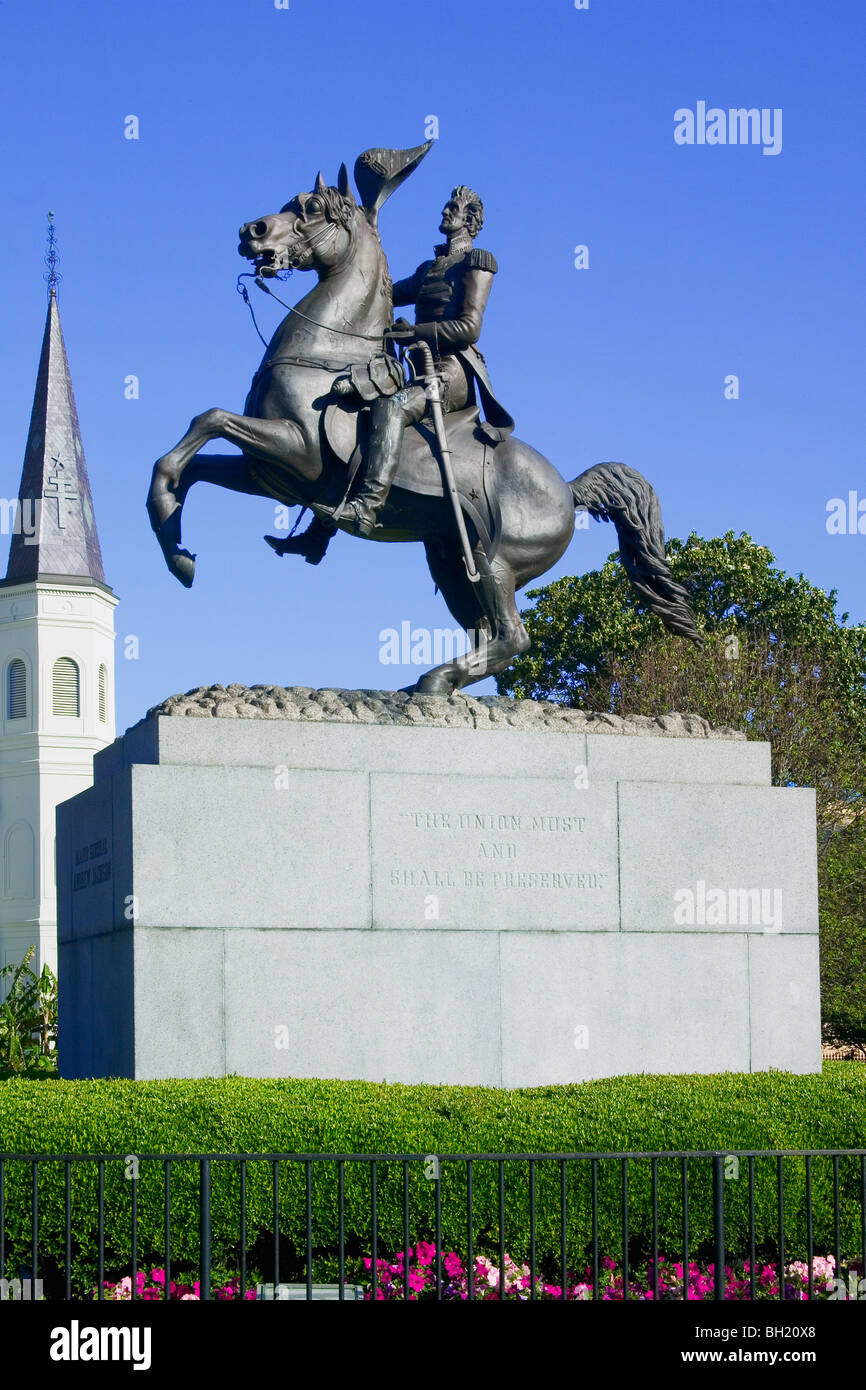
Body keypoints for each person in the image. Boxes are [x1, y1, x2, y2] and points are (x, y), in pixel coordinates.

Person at [266, 184, 512, 564]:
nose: (445, 212)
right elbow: (381, 293)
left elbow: (468, 327)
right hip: (416, 365)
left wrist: (415, 332)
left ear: (471, 221)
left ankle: (367, 507)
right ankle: (319, 535)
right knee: (356, 408)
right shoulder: (430, 268)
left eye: (454, 208)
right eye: (446, 205)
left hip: (451, 370)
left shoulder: (477, 262)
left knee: (392, 408)